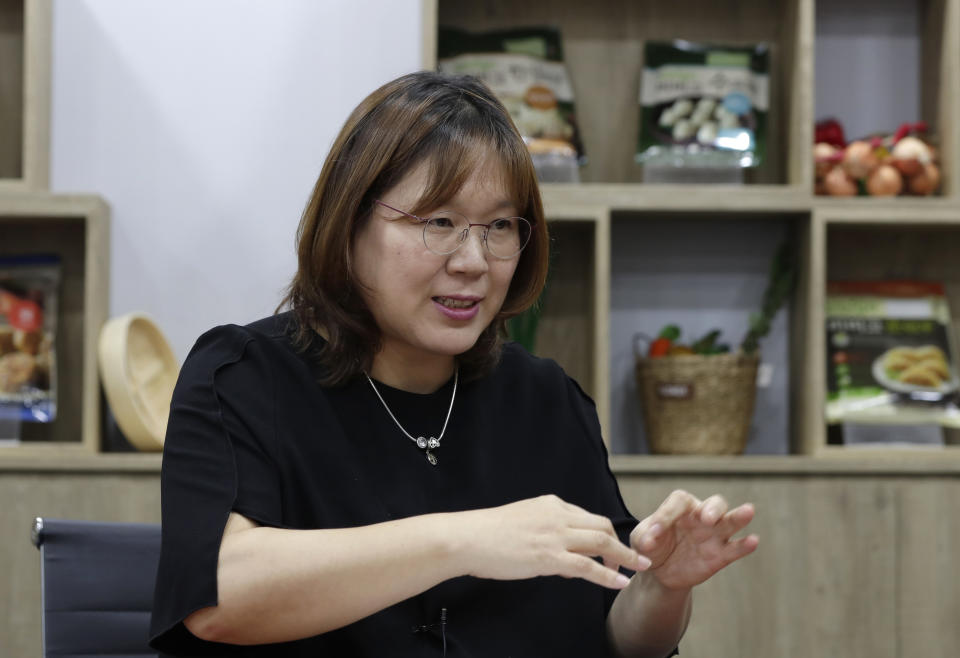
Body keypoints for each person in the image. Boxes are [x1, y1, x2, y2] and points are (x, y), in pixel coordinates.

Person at [149, 71, 758, 657]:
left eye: (498, 226)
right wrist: (467, 540)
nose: (473, 260)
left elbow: (619, 640)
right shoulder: (243, 377)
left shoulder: (546, 400)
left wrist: (663, 586)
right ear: (350, 224)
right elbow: (217, 597)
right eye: (439, 222)